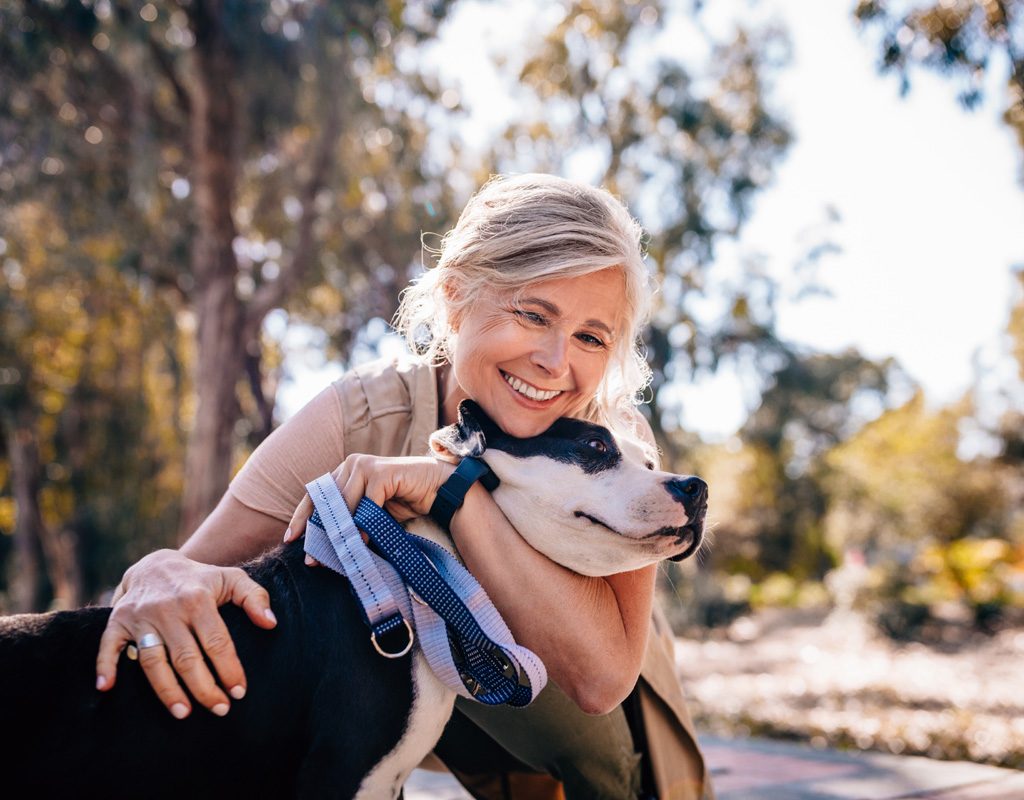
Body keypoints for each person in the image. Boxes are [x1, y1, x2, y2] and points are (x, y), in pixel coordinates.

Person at [95, 173, 711, 800]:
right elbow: (187, 572)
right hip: (391, 689)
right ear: (456, 297)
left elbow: (600, 682)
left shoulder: (618, 442)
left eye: (590, 337)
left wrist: (453, 491)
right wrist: (157, 575)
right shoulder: (362, 415)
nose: (556, 363)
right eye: (532, 314)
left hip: (578, 729)